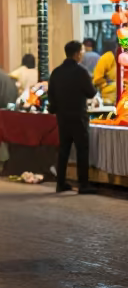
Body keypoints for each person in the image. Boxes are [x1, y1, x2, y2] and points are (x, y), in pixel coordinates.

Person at [48, 40, 97, 194]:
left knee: (64, 149)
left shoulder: (56, 72)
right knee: (82, 149)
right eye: (81, 52)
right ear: (77, 54)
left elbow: (51, 96)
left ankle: (60, 183)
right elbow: (91, 92)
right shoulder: (81, 72)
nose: (82, 55)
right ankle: (83, 184)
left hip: (62, 117)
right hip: (78, 116)